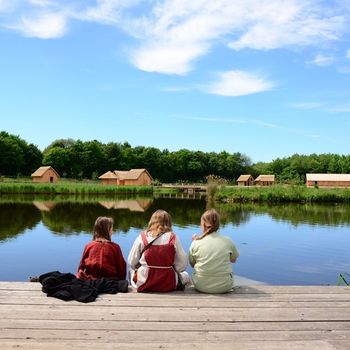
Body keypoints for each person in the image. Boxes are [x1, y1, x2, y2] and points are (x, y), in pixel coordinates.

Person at [128, 209, 190, 292]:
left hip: (145, 282)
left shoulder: (142, 237)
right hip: (168, 283)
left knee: (130, 270)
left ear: (152, 221)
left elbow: (131, 262)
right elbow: (182, 265)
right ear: (168, 222)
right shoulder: (173, 238)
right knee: (185, 275)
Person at [189, 209, 239, 293]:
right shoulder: (228, 241)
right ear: (218, 225)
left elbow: (192, 264)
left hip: (201, 285)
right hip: (224, 286)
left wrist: (195, 243)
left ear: (203, 225)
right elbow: (233, 260)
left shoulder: (196, 243)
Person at [77, 216, 127, 281]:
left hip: (91, 281)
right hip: (110, 283)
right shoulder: (115, 247)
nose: (113, 231)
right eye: (111, 229)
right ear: (107, 230)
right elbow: (122, 269)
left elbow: (81, 268)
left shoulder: (89, 246)